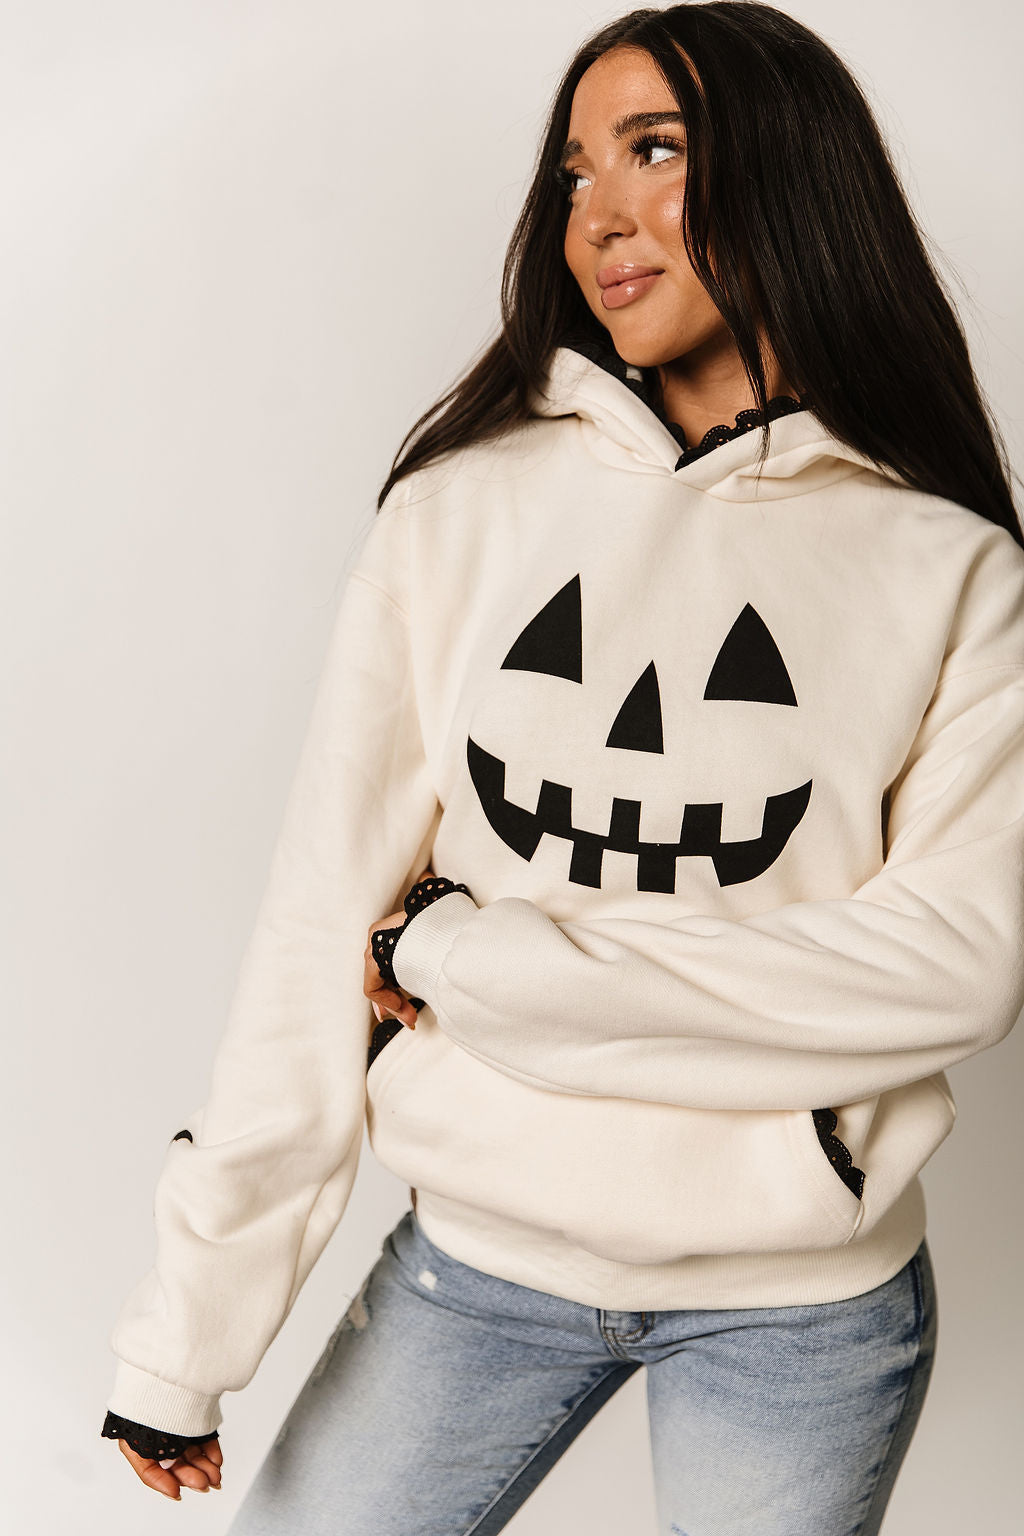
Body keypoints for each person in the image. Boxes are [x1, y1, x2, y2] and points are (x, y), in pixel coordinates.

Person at [102, 3, 1024, 1530]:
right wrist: (189, 1335)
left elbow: (957, 972)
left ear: (791, 172)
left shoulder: (952, 568)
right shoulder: (458, 515)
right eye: (575, 170)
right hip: (482, 1260)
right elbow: (316, 926)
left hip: (805, 1310)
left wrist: (466, 959)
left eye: (654, 151)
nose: (597, 213)